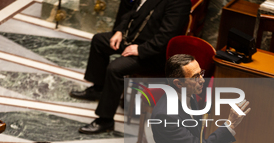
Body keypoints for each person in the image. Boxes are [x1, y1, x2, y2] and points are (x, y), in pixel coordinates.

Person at [70, 0, 191, 134]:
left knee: (115, 69)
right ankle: (98, 89)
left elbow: (167, 36)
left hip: (153, 54)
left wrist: (141, 49)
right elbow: (131, 12)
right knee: (99, 41)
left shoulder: (180, 3)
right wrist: (119, 31)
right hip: (132, 39)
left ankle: (105, 121)